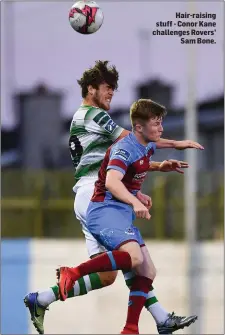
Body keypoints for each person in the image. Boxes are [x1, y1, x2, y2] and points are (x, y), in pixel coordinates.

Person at [24, 61, 202, 334]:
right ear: (91, 89)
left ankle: (43, 298)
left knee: (109, 275)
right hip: (97, 197)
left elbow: (117, 160)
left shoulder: (79, 118)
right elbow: (134, 139)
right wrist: (175, 144)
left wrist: (151, 171)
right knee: (135, 260)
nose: (111, 94)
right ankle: (149, 321)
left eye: (114, 89)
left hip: (88, 194)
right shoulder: (95, 115)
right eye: (107, 88)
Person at [56, 99, 198, 334]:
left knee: (148, 271)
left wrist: (174, 148)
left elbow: (153, 148)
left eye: (161, 123)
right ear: (139, 127)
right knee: (133, 258)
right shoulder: (124, 148)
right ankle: (74, 272)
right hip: (104, 211)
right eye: (156, 124)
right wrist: (135, 200)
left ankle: (131, 328)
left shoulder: (145, 143)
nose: (160, 128)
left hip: (119, 213)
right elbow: (112, 182)